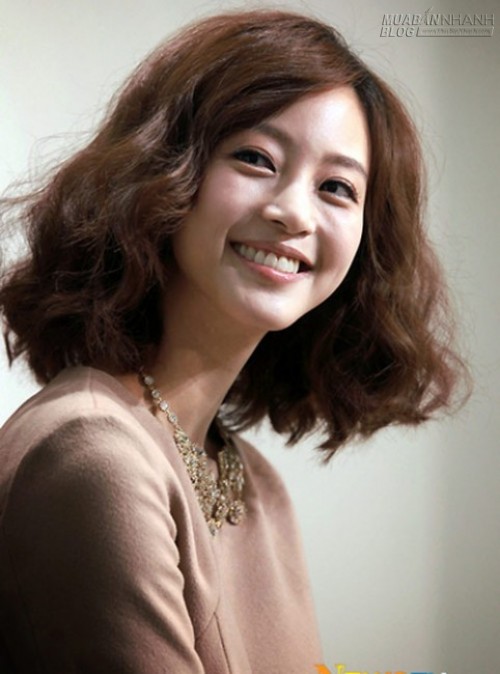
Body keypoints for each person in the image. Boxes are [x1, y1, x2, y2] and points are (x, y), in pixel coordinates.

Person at [0, 9, 466, 673]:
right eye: (256, 158)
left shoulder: (254, 484)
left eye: (337, 188)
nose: (293, 212)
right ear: (164, 169)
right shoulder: (94, 453)